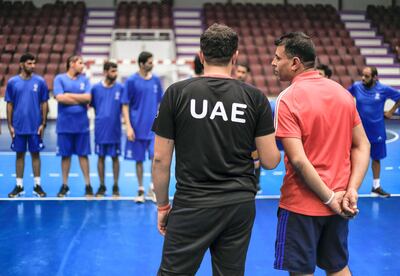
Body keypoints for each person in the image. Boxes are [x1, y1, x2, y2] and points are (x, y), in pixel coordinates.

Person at [152, 23, 281, 276]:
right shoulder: (256, 98)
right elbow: (270, 160)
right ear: (235, 56)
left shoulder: (176, 93)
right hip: (238, 205)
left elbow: (160, 159)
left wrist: (163, 206)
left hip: (191, 204)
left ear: (201, 56)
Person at [272, 32, 370, 275]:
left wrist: (328, 198)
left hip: (302, 205)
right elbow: (362, 145)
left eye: (277, 58)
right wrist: (351, 190)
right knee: (337, 267)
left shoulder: (287, 99)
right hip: (340, 201)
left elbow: (297, 159)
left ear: (295, 63)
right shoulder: (342, 93)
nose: (273, 63)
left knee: (301, 271)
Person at [348, 66, 400, 197]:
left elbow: (398, 97)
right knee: (351, 158)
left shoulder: (383, 89)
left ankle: (376, 187)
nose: (363, 79)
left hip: (377, 131)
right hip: (358, 130)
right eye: (362, 75)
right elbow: (344, 96)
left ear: (375, 77)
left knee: (376, 159)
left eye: (366, 76)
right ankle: (347, 187)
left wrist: (391, 111)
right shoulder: (356, 86)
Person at [121, 51, 163, 203]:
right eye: (150, 62)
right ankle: (140, 189)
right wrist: (128, 127)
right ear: (141, 63)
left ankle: (152, 189)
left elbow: (161, 103)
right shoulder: (131, 81)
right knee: (138, 160)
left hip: (153, 129)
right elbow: (125, 104)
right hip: (136, 128)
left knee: (155, 159)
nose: (152, 64)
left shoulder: (156, 81)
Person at [5, 53, 49, 198]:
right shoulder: (12, 82)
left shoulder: (40, 82)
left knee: (36, 154)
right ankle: (19, 186)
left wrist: (43, 123)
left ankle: (37, 185)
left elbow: (44, 103)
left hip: (35, 126)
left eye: (34, 63)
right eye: (29, 63)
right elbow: (9, 104)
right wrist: (10, 125)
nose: (33, 66)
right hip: (18, 126)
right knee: (19, 155)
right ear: (22, 64)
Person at [53, 55, 93, 197]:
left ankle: (88, 186)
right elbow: (59, 97)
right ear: (71, 64)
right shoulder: (59, 78)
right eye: (80, 63)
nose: (83, 65)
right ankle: (65, 185)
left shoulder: (85, 79)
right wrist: (79, 98)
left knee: (83, 156)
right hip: (64, 126)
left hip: (82, 125)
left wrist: (68, 95)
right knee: (65, 156)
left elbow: (88, 98)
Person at [90, 61, 123, 197]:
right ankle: (102, 186)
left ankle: (115, 186)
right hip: (100, 129)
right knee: (101, 157)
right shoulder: (95, 89)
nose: (115, 74)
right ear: (105, 72)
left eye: (116, 71)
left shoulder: (121, 88)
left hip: (115, 129)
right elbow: (93, 106)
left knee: (115, 158)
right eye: (112, 71)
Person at [234, 62, 263, 191]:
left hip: (249, 130)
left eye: (243, 72)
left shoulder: (253, 93)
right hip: (233, 130)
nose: (240, 74)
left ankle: (256, 182)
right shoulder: (230, 89)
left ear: (248, 75)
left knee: (255, 157)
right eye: (238, 71)